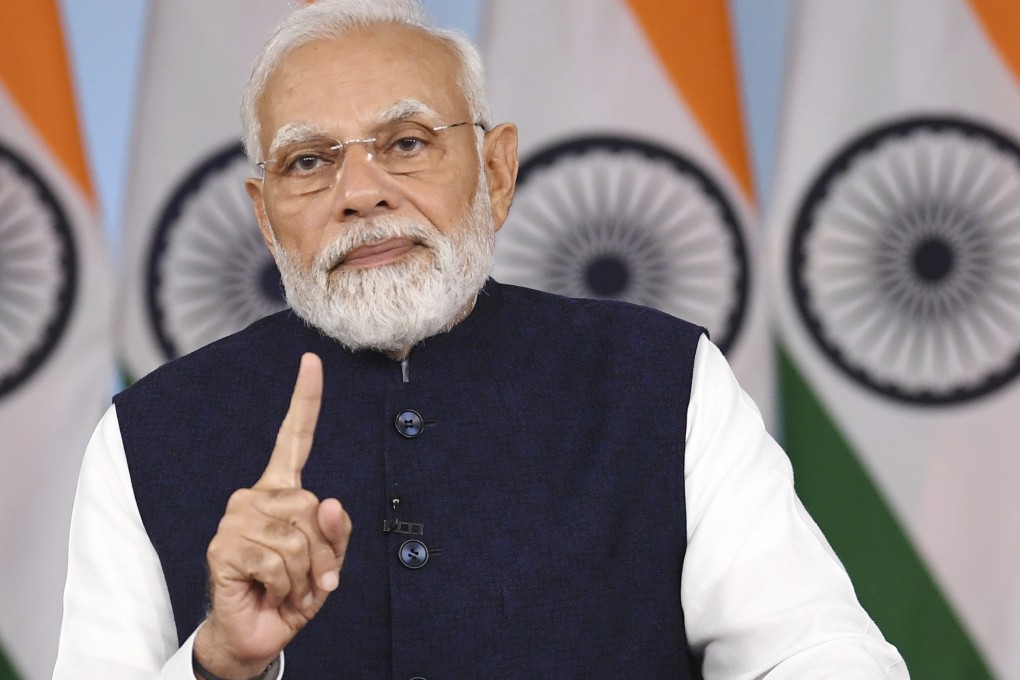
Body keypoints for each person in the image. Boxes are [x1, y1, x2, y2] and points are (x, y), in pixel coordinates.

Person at [54, 0, 909, 678]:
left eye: (408, 143)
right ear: (263, 213)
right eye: (309, 161)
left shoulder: (664, 381)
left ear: (497, 173)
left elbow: (812, 652)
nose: (360, 193)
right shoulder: (145, 435)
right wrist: (217, 666)